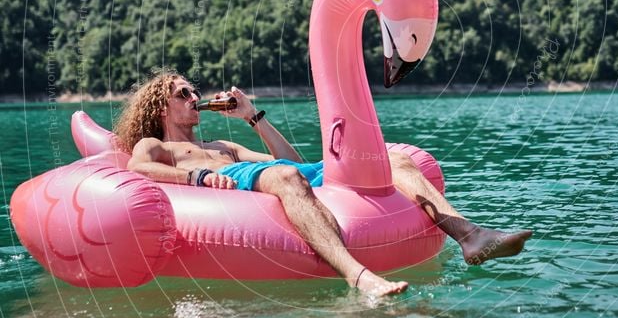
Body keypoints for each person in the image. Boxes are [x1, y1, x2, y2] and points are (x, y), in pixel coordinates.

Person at [116, 70, 532, 296]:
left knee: (391, 156)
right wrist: (199, 175)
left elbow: (293, 162)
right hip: (231, 184)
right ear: (162, 106)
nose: (194, 98)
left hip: (257, 171)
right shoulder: (159, 145)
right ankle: (358, 276)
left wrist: (252, 117)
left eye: (193, 92)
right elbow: (138, 168)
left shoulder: (223, 142)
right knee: (283, 176)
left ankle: (471, 236)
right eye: (183, 93)